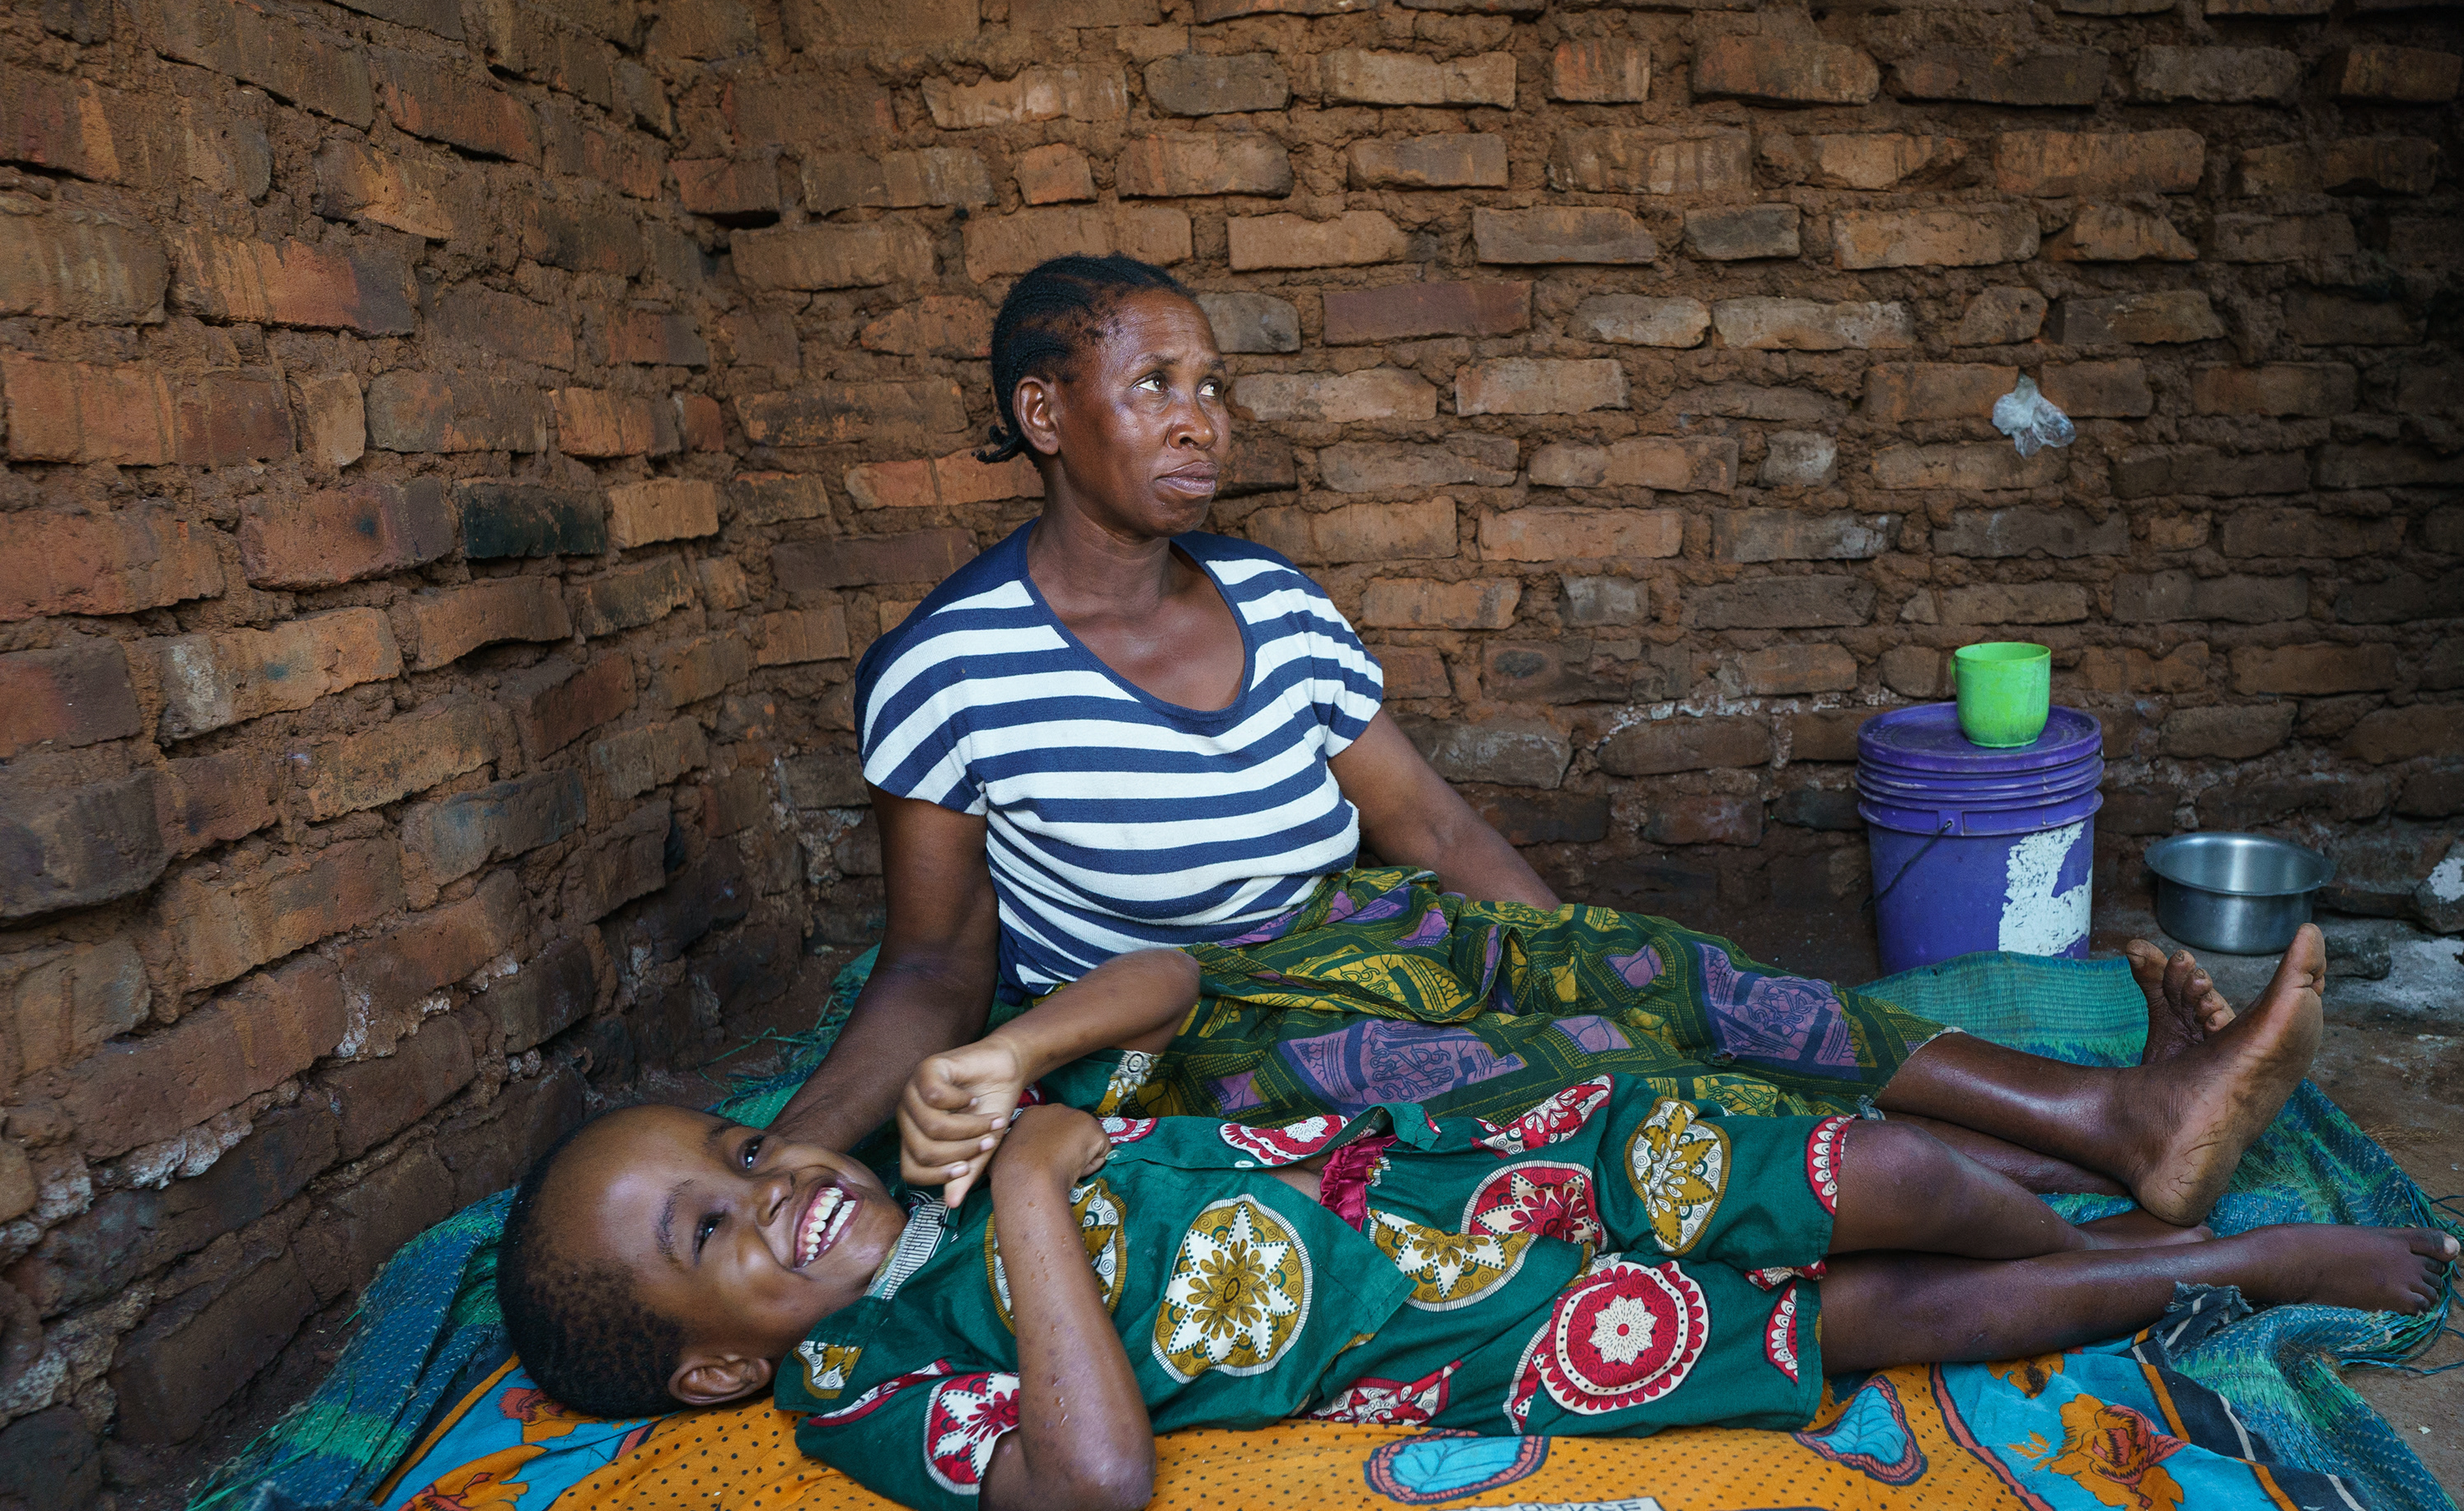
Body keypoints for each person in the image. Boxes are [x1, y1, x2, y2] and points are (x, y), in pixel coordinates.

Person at [766, 250, 2318, 1233]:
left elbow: (1433, 835)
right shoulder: (951, 668)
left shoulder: (1279, 608)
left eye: (1216, 386)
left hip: (1370, 931)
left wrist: (1592, 958)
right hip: (1182, 1037)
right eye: (1155, 386)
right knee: (1544, 1088)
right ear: (1045, 413)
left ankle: (2110, 1118)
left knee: (1696, 990)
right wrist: (791, 1152)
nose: (1203, 421)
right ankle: (2067, 1164)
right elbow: (929, 968)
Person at [499, 946, 2457, 1511]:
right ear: (716, 1364)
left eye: (741, 1147)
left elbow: (1172, 978)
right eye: (715, 1229)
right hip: (1493, 1329)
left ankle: (2113, 1200)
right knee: (1887, 1315)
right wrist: (1029, 1185)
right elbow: (1091, 1469)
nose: (780, 1188)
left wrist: (1017, 1071)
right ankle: (2214, 1271)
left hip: (1473, 1153)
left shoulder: (916, 1154)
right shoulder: (853, 1375)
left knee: (1901, 1175)